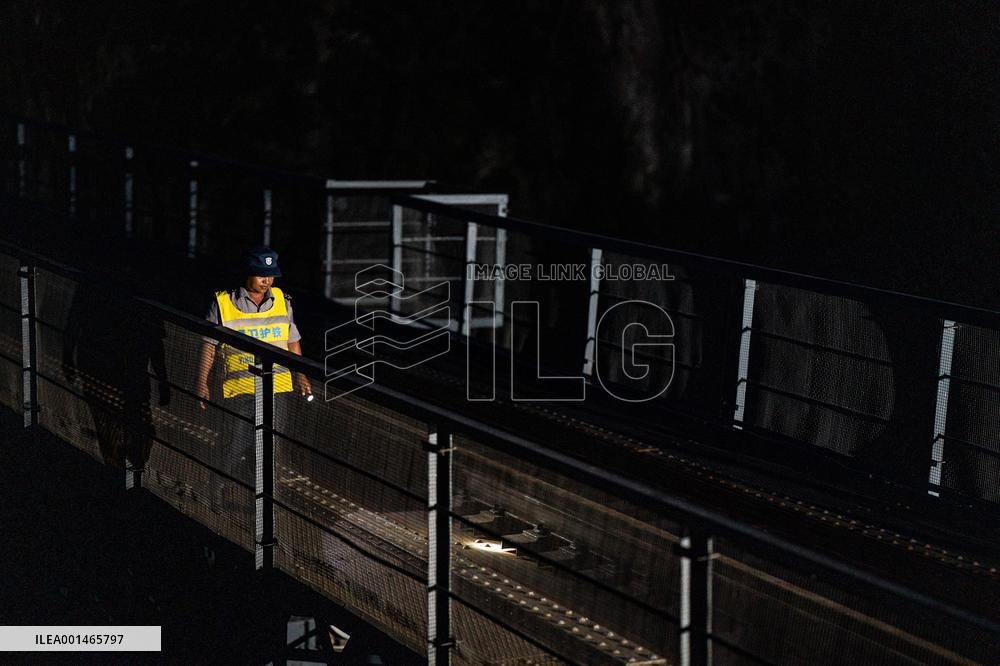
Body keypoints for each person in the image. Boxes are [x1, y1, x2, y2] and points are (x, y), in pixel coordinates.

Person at [194, 246, 311, 511]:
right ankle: (216, 487)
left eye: (270, 275)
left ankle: (261, 504)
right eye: (260, 275)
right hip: (240, 387)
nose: (266, 280)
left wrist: (301, 375)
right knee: (234, 444)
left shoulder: (282, 300)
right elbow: (209, 345)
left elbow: (293, 341)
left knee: (267, 449)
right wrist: (201, 382)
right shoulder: (224, 303)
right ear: (248, 273)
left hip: (277, 387)